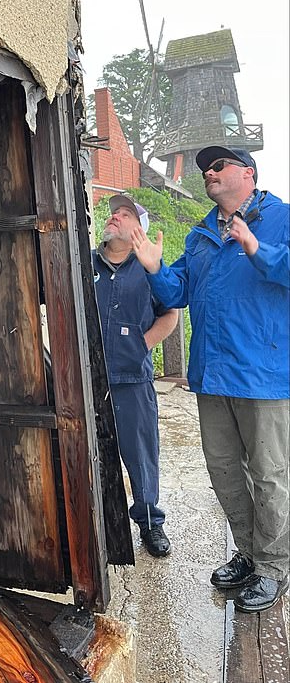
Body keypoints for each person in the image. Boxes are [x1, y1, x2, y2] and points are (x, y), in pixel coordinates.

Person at [130, 146, 289, 612]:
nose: (209, 173)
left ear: (248, 173)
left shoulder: (280, 219)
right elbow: (179, 289)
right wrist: (156, 267)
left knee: (270, 475)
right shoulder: (201, 235)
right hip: (212, 373)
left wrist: (257, 249)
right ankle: (248, 553)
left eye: (218, 166)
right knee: (224, 472)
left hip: (263, 375)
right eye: (205, 170)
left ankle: (274, 567)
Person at [92, 194, 179, 557]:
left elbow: (170, 315)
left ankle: (149, 523)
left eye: (125, 214)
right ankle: (92, 522)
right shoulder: (86, 263)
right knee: (88, 452)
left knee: (141, 454)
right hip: (88, 378)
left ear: (138, 231)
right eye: (113, 213)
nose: (115, 217)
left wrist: (140, 346)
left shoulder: (148, 267)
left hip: (132, 379)